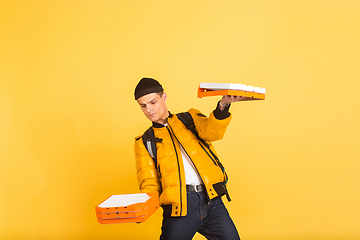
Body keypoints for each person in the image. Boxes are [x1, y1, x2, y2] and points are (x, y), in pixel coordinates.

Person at [134, 77, 244, 240]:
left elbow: (211, 132)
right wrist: (141, 207)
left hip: (212, 202)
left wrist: (222, 107)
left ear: (163, 97)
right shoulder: (145, 141)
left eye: (153, 102)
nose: (149, 109)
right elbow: (149, 183)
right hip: (180, 208)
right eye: (143, 106)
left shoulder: (189, 118)